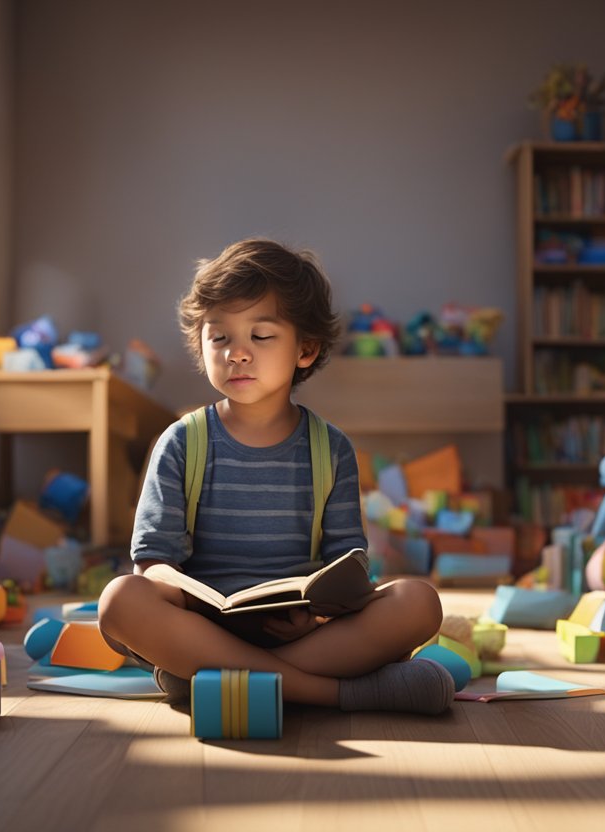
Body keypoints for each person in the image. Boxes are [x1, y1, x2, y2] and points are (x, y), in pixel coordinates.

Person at [98, 238, 454, 715]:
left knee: (418, 601)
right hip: (203, 627)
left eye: (260, 336)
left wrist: (318, 615)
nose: (237, 353)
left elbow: (346, 565)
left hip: (300, 632)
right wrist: (188, 600)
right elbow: (153, 566)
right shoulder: (181, 442)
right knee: (119, 600)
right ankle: (330, 693)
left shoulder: (332, 449)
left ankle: (208, 679)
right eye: (219, 338)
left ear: (305, 349)